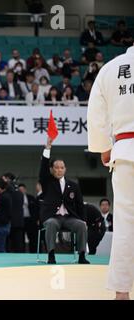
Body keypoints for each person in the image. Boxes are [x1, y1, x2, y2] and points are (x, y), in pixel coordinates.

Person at [87, 43, 134, 299]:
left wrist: (104, 147)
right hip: (124, 146)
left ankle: (121, 293)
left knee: (126, 226)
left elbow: (96, 113)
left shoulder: (111, 68)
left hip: (125, 149)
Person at [39, 136, 90, 265]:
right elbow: (43, 166)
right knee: (50, 224)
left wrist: (83, 220)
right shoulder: (47, 181)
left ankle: (82, 256)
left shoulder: (73, 185)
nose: (59, 170)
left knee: (81, 225)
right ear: (51, 169)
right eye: (56, 167)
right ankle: (51, 255)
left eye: (62, 167)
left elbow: (80, 204)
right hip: (53, 217)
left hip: (69, 218)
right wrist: (47, 148)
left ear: (65, 169)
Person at [3, 173, 25, 253]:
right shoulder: (20, 193)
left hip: (10, 221)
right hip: (19, 221)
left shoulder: (7, 193)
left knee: (9, 244)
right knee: (18, 243)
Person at [18, 183, 40, 253]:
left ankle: (33, 252)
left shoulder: (31, 198)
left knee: (32, 237)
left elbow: (36, 209)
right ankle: (21, 252)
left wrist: (37, 219)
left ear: (25, 190)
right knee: (20, 238)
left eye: (22, 189)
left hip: (30, 220)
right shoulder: (16, 199)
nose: (21, 191)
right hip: (21, 220)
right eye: (20, 190)